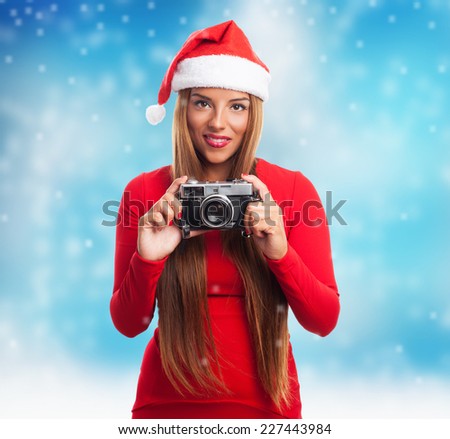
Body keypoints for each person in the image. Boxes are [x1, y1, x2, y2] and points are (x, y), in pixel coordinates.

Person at [110, 20, 340, 419]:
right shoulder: (146, 193)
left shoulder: (292, 191)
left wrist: (280, 254)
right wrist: (148, 258)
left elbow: (322, 321)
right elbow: (130, 324)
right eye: (203, 103)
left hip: (269, 411)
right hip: (165, 410)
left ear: (254, 114)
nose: (219, 123)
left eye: (237, 106)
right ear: (184, 108)